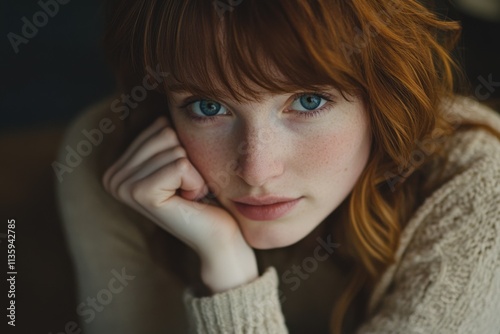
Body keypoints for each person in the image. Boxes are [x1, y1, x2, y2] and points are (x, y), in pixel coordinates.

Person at [56, 0, 500, 333]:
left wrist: (232, 290)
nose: (256, 171)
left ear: (382, 98)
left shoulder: (480, 187)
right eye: (208, 106)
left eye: (308, 101)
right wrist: (222, 254)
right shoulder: (116, 158)